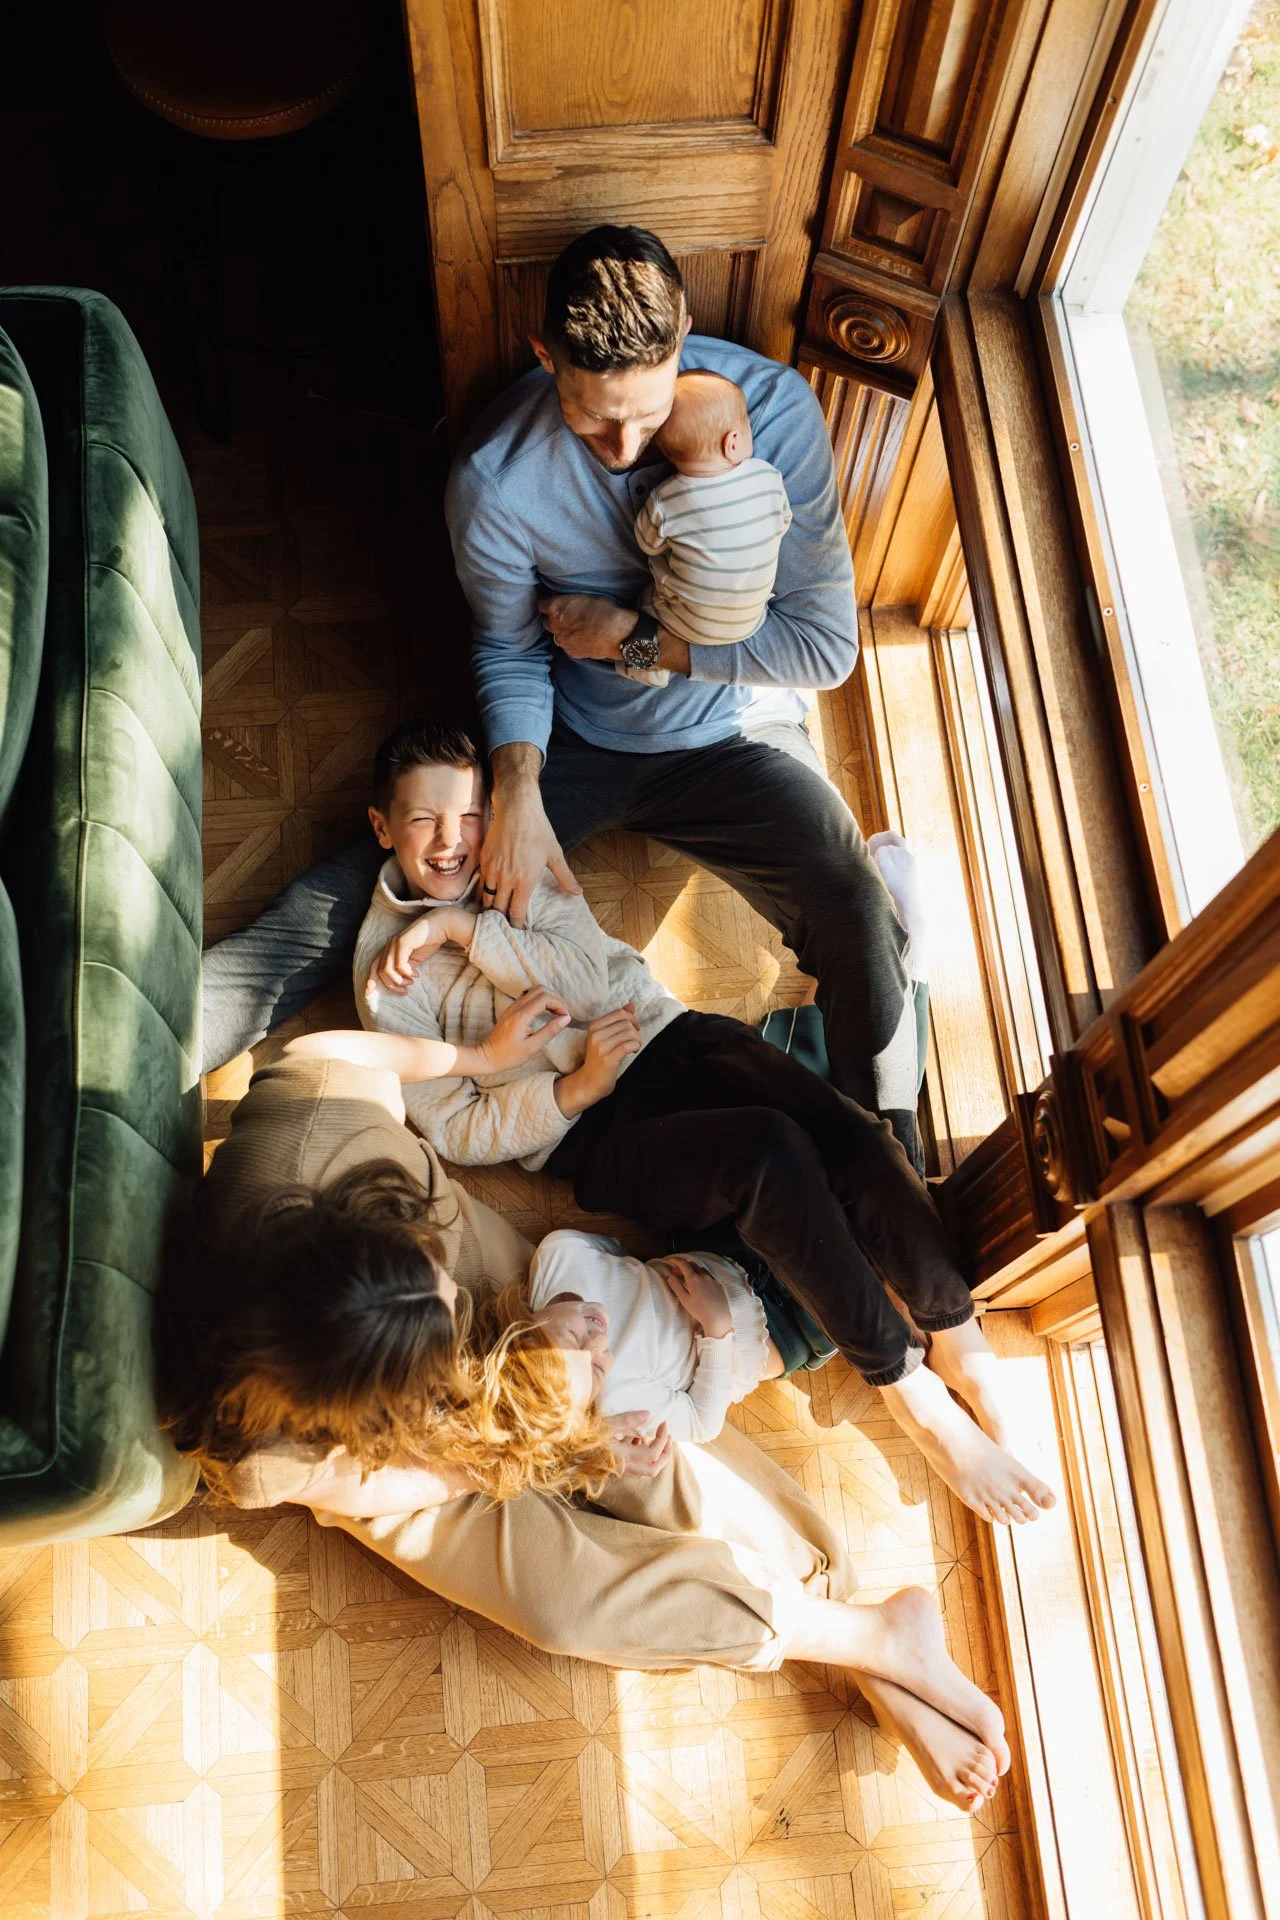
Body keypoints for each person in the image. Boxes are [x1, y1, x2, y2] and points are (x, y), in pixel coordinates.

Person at [200, 223, 927, 1174]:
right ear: (547, 359)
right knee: (364, 896)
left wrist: (634, 639)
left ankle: (897, 1169)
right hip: (572, 739)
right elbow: (506, 648)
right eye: (593, 422)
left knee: (853, 903)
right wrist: (520, 788)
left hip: (738, 733)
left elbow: (824, 648)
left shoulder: (774, 414)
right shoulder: (496, 480)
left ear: (686, 339)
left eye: (645, 412)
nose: (625, 448)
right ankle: (129, 1044)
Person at [157, 1020, 1008, 1815]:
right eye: (447, 1313)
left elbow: (353, 1055)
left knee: (641, 1422)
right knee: (570, 1599)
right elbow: (428, 1471)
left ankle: (854, 1621)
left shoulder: (313, 1120)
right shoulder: (273, 1450)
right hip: (403, 1462)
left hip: (425, 1249)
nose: (460, 1305)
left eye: (434, 1286)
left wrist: (477, 1061)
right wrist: (558, 1450)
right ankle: (866, 1642)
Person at [355, 719, 1056, 1529]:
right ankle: (908, 1387)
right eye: (424, 821)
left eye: (469, 816)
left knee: (852, 1132)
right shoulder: (387, 979)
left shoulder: (510, 857)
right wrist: (572, 1091)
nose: (454, 842)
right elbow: (455, 1127)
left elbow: (593, 973)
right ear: (383, 827)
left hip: (666, 1033)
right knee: (766, 1154)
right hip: (595, 1132)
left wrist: (466, 931)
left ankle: (963, 1343)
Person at [521, 1230, 785, 1444]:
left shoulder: (557, 1254)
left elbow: (616, 1253)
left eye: (573, 1338)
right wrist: (717, 1326)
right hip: (765, 1334)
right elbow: (702, 1423)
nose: (599, 1340)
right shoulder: (615, 1400)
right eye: (598, 1368)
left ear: (525, 1328)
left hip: (719, 1259)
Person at [617, 368, 791, 688]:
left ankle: (649, 667)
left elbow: (647, 544)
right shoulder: (767, 477)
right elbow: (782, 522)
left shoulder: (666, 498)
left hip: (686, 626)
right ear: (733, 442)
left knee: (648, 596)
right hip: (753, 621)